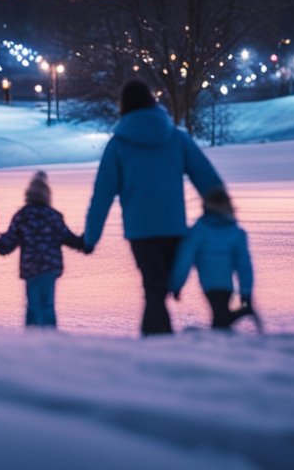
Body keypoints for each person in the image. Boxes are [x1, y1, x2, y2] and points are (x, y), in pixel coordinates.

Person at [84, 80, 227, 336]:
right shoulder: (177, 138)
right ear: (153, 101)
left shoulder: (118, 145)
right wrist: (222, 212)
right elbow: (207, 179)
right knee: (161, 287)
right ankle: (162, 343)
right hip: (174, 226)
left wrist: (90, 238)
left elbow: (101, 196)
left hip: (140, 231)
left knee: (154, 288)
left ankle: (156, 346)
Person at [0, 171, 85, 328]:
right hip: (50, 267)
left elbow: (9, 241)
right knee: (47, 305)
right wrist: (85, 243)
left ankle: (32, 340)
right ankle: (49, 339)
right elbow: (68, 237)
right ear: (47, 195)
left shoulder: (23, 215)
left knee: (33, 305)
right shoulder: (53, 216)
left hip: (31, 267)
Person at [169, 190, 256, 330]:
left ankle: (225, 338)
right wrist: (246, 291)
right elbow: (244, 266)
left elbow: (184, 261)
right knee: (221, 316)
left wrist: (176, 285)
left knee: (220, 318)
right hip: (227, 286)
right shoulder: (236, 232)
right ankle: (238, 320)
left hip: (209, 285)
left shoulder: (197, 231)